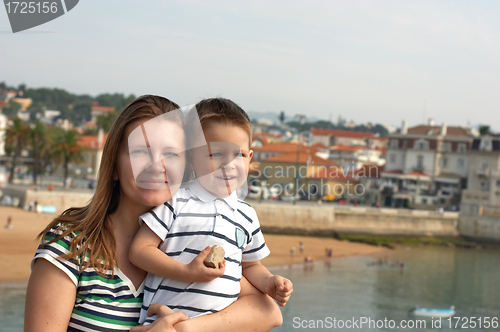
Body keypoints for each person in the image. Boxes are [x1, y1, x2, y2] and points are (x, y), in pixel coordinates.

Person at [24, 95, 282, 332]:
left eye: (171, 153)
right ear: (114, 166)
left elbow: (269, 312)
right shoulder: (71, 245)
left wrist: (185, 329)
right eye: (139, 151)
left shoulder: (190, 244)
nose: (156, 165)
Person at [129, 98, 293, 324]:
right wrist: (186, 272)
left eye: (238, 155)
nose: (229, 164)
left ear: (250, 159)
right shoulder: (176, 200)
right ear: (193, 158)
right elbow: (139, 251)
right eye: (215, 154)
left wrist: (269, 283)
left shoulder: (246, 215)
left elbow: (250, 265)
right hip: (164, 324)